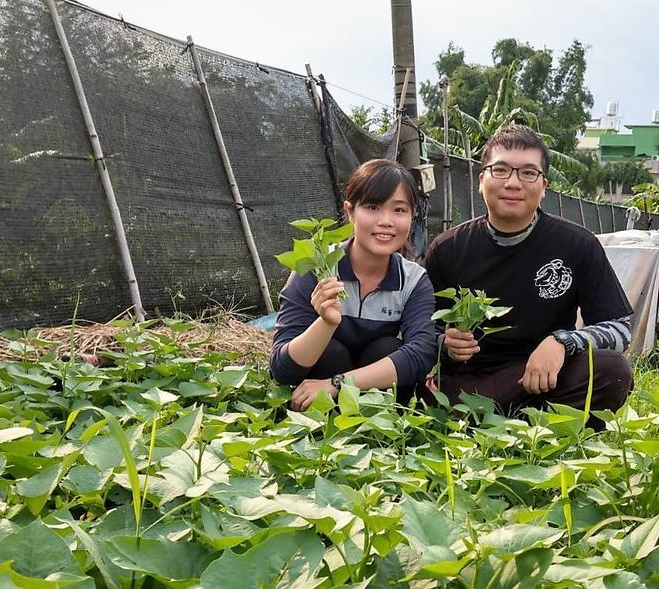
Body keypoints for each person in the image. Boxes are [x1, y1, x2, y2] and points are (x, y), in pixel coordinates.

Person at [424, 125, 634, 421]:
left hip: (543, 380)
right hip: (470, 383)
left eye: (528, 172)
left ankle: (506, 424)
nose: (513, 183)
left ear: (544, 185)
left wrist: (562, 341)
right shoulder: (447, 248)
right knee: (408, 380)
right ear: (481, 180)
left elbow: (619, 328)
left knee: (612, 371)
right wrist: (444, 343)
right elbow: (419, 329)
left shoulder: (578, 245)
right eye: (501, 170)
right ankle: (525, 423)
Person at [270, 159, 436, 411]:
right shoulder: (316, 269)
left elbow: (420, 354)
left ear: (412, 216)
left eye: (399, 210)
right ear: (350, 212)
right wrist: (326, 323)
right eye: (372, 207)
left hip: (372, 399)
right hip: (315, 404)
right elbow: (281, 369)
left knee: (388, 348)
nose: (386, 221)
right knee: (331, 351)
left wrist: (339, 383)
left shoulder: (413, 281)